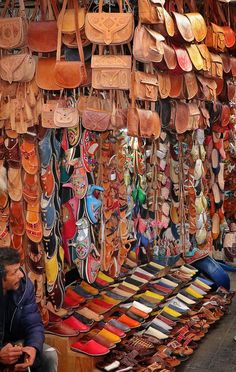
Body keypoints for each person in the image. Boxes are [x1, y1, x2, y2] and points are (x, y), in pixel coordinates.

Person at [0, 247, 58, 371]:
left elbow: (34, 324)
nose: (21, 275)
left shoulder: (24, 287)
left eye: (19, 269)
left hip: (14, 343)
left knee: (49, 356)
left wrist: (33, 347)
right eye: (15, 272)